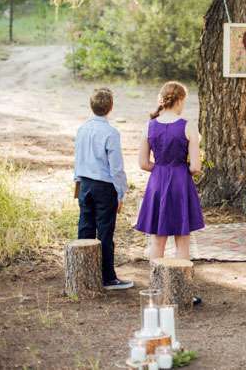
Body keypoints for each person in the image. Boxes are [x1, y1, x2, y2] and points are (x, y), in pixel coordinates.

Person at [136, 82, 204, 264]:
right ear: (180, 101)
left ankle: (156, 285)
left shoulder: (148, 126)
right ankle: (180, 288)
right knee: (182, 240)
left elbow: (143, 163)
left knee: (158, 240)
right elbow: (195, 166)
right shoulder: (188, 126)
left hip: (157, 183)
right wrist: (181, 169)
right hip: (181, 183)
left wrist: (161, 168)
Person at [74, 88, 133, 290]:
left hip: (85, 184)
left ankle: (83, 274)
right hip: (104, 187)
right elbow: (116, 168)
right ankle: (108, 277)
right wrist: (121, 193)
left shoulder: (82, 129)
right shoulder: (111, 133)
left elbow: (78, 159)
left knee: (85, 228)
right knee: (105, 232)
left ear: (92, 106)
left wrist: (77, 182)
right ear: (111, 108)